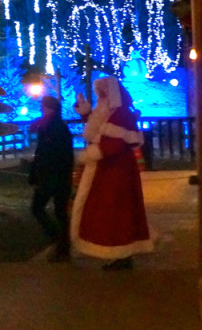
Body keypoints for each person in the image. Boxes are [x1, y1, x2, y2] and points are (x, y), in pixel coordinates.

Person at [71, 76, 154, 269]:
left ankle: (122, 253)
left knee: (117, 211)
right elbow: (98, 128)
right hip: (108, 169)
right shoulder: (110, 111)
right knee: (112, 211)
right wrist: (85, 113)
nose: (100, 96)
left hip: (116, 170)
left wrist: (91, 154)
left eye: (103, 92)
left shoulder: (120, 114)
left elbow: (115, 144)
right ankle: (119, 253)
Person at [28, 95, 75, 261]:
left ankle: (58, 239)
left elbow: (45, 153)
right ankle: (63, 245)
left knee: (38, 208)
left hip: (51, 176)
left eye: (44, 106)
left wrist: (38, 172)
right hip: (58, 176)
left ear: (50, 109)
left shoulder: (50, 127)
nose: (42, 109)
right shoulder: (53, 126)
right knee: (60, 212)